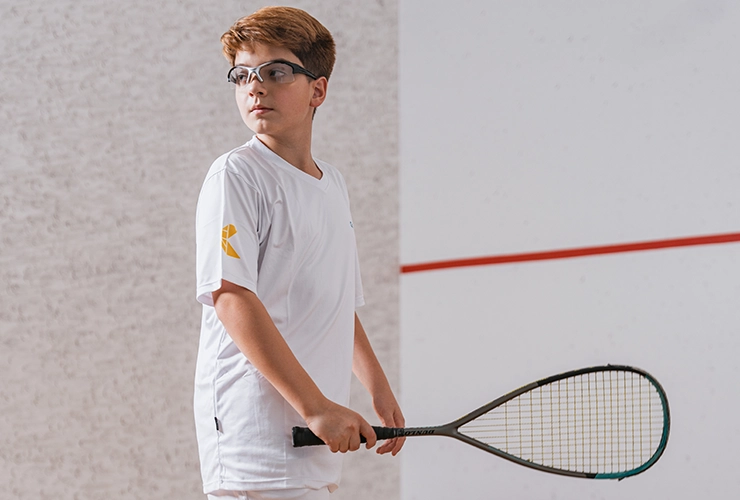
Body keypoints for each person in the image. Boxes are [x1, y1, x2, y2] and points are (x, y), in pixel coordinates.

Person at [193, 6, 404, 500]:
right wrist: (315, 407)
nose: (255, 86)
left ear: (318, 90)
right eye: (242, 75)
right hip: (257, 446)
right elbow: (230, 297)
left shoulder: (333, 185)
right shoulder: (236, 176)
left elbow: (334, 298)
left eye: (277, 71)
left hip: (313, 446)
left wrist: (376, 386)